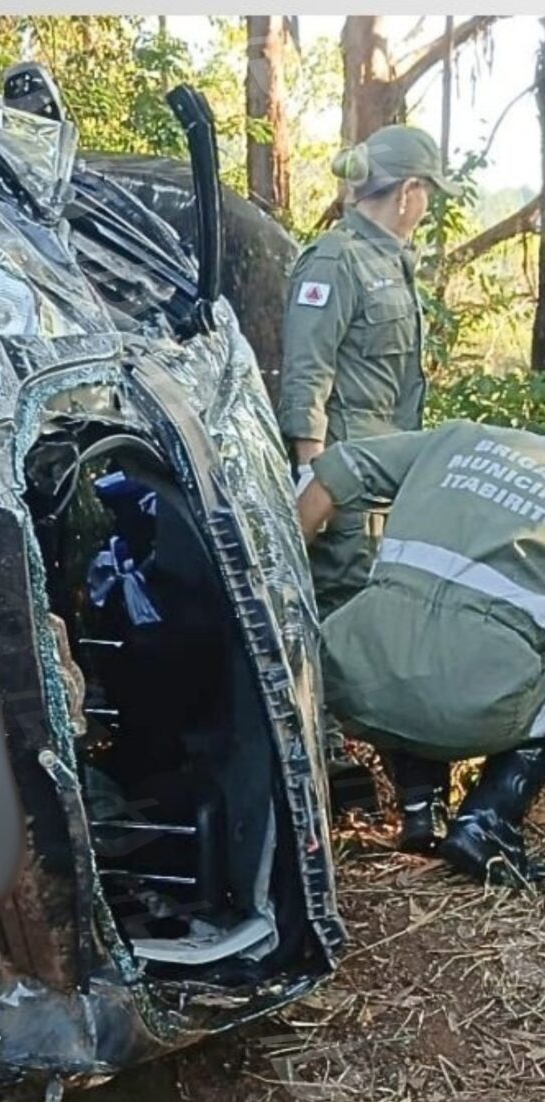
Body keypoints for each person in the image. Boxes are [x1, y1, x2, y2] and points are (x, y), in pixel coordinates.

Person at [279, 123, 454, 848]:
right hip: (345, 488)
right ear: (410, 192)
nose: (426, 207)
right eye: (426, 195)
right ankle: (384, 795)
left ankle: (411, 800)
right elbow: (307, 377)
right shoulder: (337, 259)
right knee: (353, 635)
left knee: (385, 630)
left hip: (389, 489)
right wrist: (309, 484)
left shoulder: (396, 263)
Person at [296, 421, 545, 882]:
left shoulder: (457, 440)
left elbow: (333, 472)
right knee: (466, 658)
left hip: (351, 681)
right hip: (470, 708)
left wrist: (280, 585)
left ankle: (420, 805)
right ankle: (486, 822)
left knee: (416, 638)